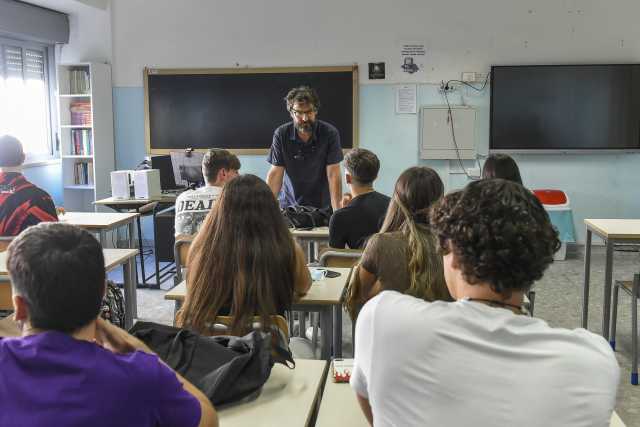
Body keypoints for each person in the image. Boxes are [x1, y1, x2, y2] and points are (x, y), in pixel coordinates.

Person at [351, 179, 619, 427]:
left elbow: (374, 407)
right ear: (538, 265)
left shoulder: (382, 320)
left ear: (452, 255)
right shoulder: (593, 363)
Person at [0, 222, 217, 427]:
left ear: (18, 307)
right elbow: (207, 419)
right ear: (102, 293)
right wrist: (142, 350)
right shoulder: (142, 376)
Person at [177, 174, 311, 335]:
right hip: (266, 354)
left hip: (211, 353)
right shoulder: (287, 249)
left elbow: (190, 287)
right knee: (303, 344)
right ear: (271, 211)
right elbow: (303, 287)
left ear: (221, 209)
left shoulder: (202, 250)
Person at [345, 167, 451, 319]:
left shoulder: (381, 244)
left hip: (389, 336)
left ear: (397, 200)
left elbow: (357, 298)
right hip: (440, 337)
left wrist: (387, 290)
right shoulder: (453, 246)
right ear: (440, 200)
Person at [266, 86, 343, 210]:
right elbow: (275, 174)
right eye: (299, 113)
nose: (305, 118)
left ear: (316, 110)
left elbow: (333, 174)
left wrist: (337, 212)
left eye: (309, 112)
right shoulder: (281, 134)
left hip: (323, 206)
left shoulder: (329, 133)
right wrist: (266, 210)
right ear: (291, 112)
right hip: (290, 206)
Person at [329, 148, 390, 249]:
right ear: (376, 176)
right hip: (389, 264)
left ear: (347, 178)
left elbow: (334, 259)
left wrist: (343, 212)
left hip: (357, 264)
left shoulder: (340, 217)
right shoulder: (393, 206)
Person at [0, 135, 57, 236]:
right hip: (22, 251)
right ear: (23, 158)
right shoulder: (40, 197)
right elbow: (54, 239)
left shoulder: (7, 190)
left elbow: (9, 190)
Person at [174, 148, 240, 236]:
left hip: (188, 250)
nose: (238, 176)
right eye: (235, 172)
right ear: (223, 173)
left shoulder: (182, 198)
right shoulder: (234, 199)